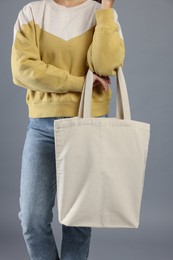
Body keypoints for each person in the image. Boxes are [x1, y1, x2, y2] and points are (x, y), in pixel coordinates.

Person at [11, 0, 125, 259]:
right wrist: (80, 82)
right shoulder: (32, 13)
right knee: (32, 219)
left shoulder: (101, 14)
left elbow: (107, 66)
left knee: (78, 223)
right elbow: (23, 70)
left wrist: (106, 8)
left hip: (88, 126)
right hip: (42, 127)